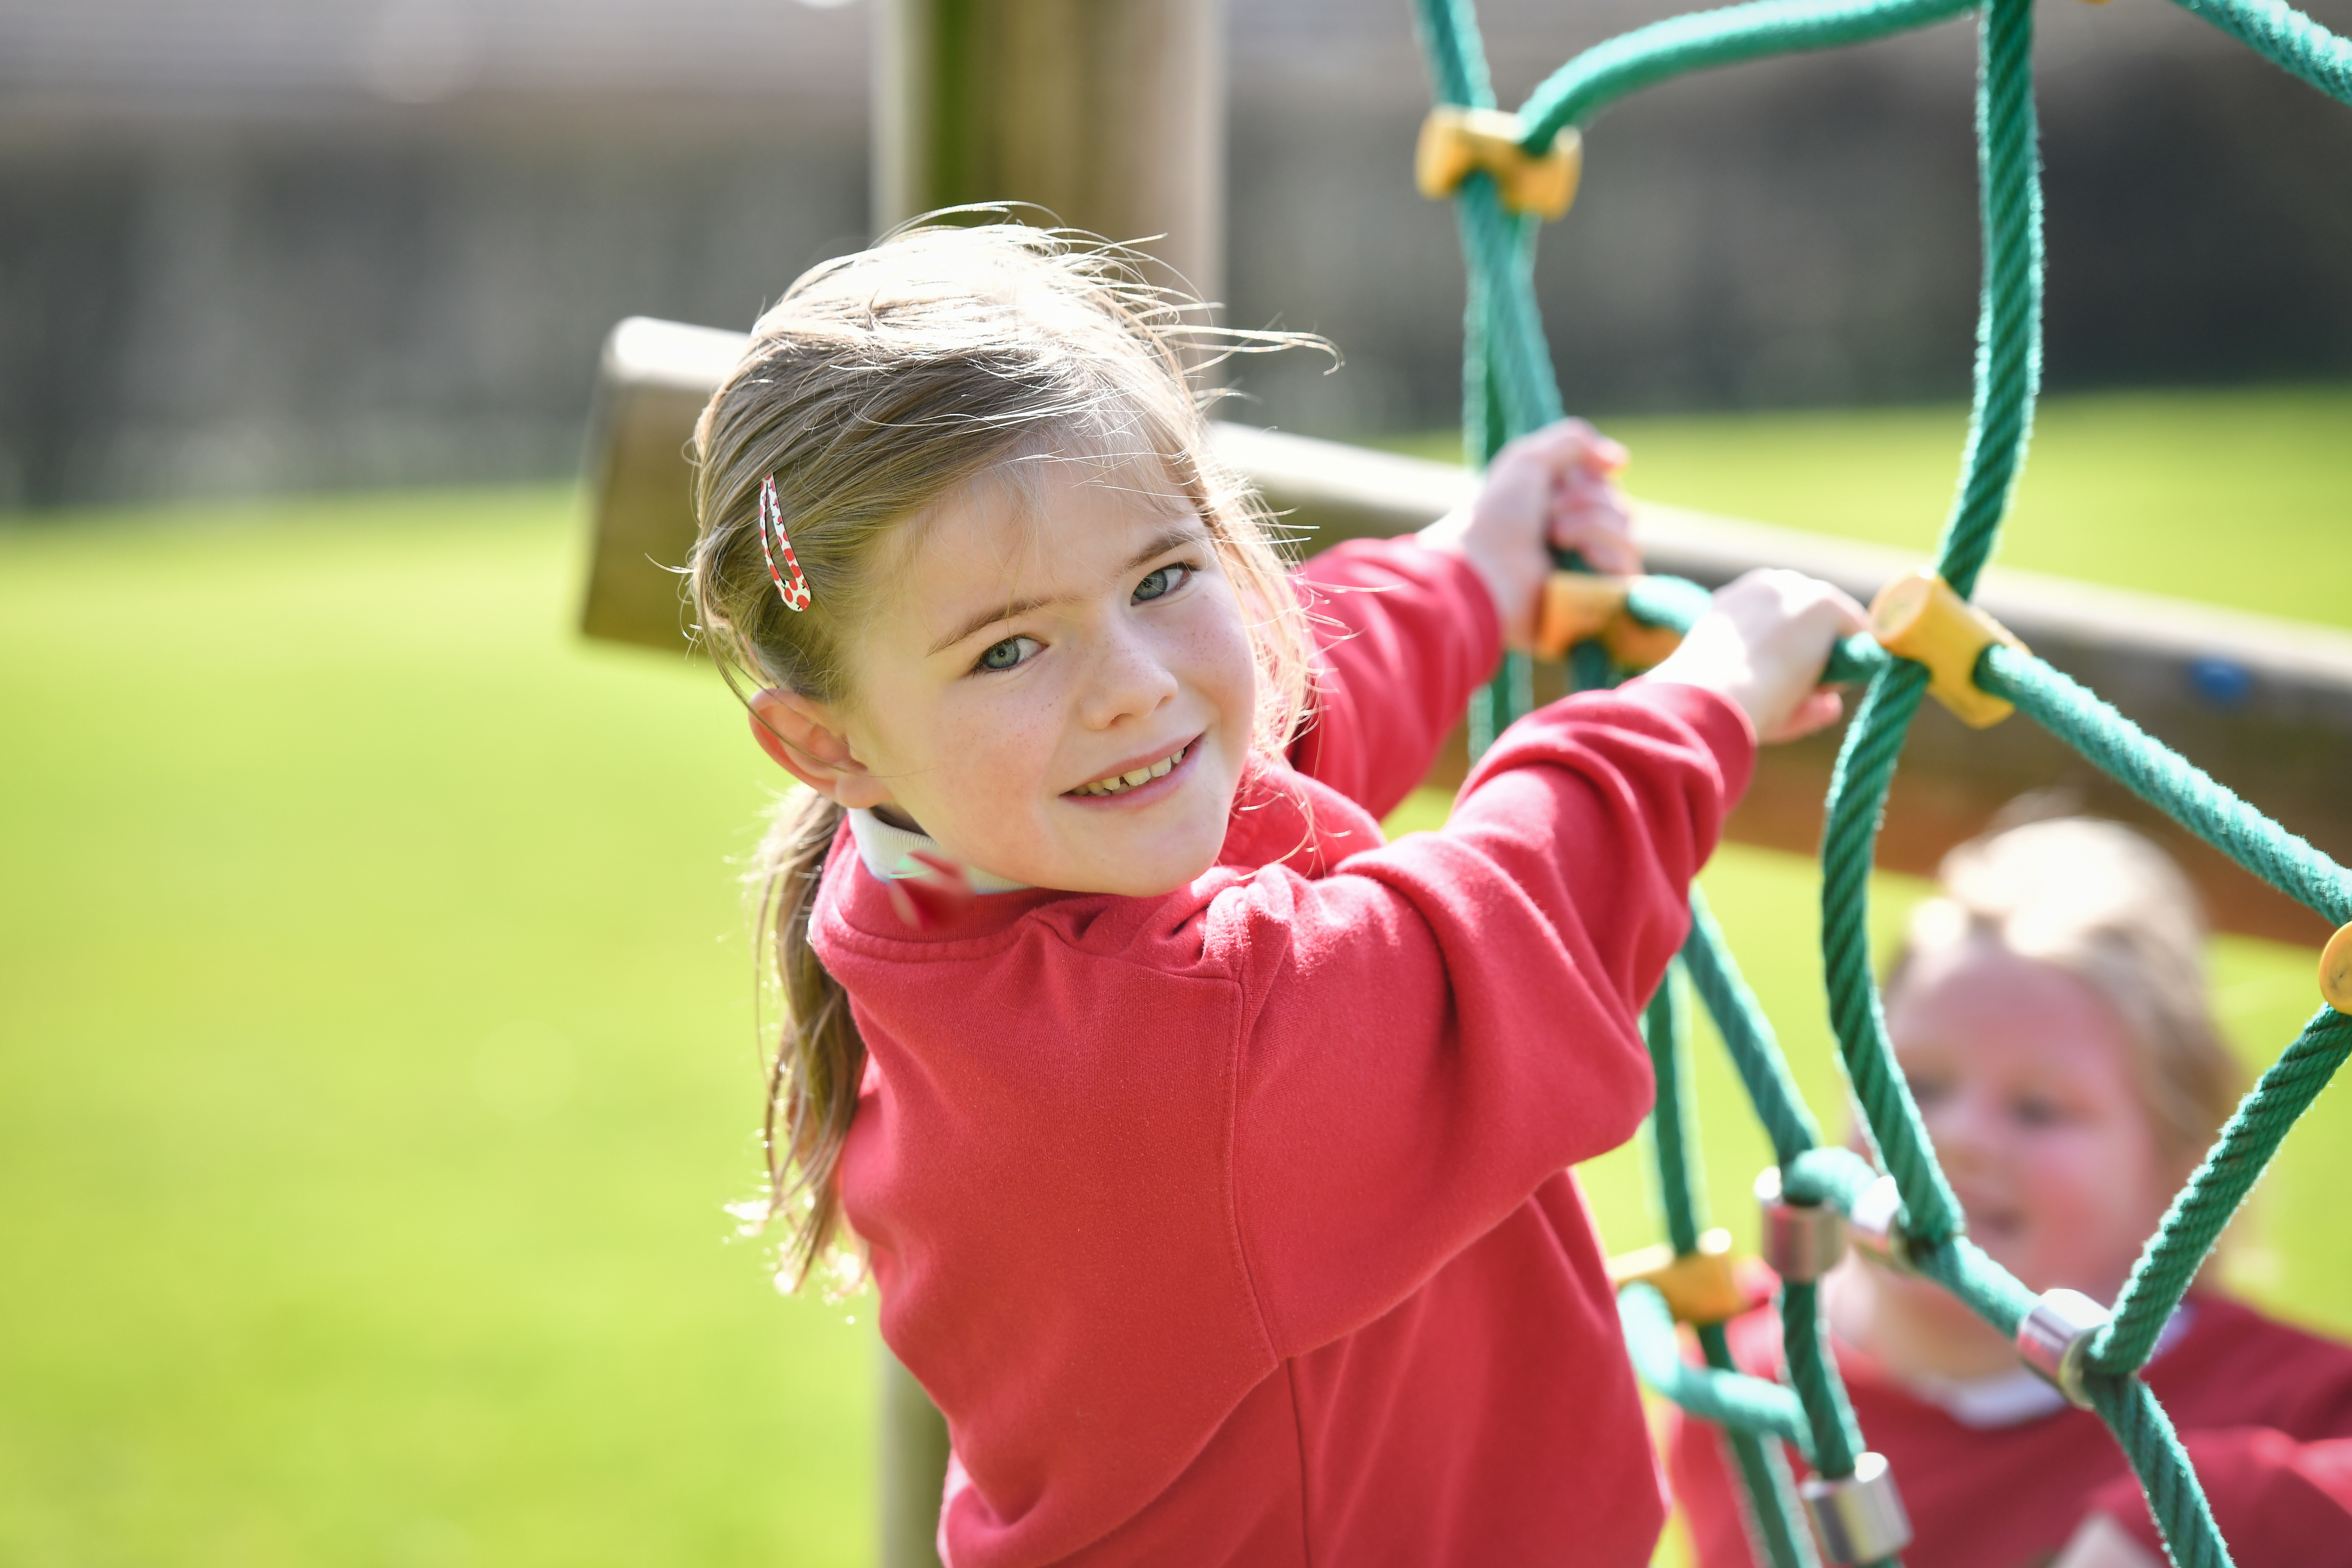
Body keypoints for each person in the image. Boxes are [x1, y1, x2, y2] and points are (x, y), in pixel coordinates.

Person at [685, 219, 1863, 1568]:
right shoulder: (1166, 1053)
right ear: (824, 742)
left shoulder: (951, 855)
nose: (1134, 684)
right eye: (1008, 649)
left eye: (1160, 576)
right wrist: (1705, 697)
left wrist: (1471, 571)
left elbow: (1278, 728)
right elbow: (1479, 940)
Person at [1670, 815, 2352, 1568]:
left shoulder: (2295, 1407)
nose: (1956, 1137)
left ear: (2184, 1173)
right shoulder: (1732, 1370)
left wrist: (2222, 1507)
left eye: (2038, 1109)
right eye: (1916, 1084)